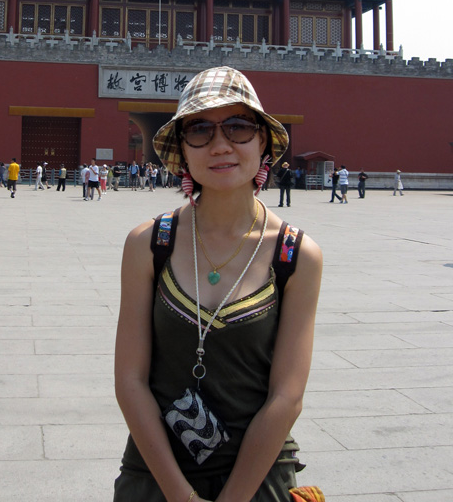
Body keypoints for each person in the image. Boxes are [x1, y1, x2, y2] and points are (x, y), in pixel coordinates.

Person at [114, 66, 322, 502]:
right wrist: (181, 496)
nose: (220, 145)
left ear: (263, 143)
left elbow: (286, 396)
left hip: (259, 479)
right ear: (182, 149)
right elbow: (130, 381)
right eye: (200, 131)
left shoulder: (295, 255)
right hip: (155, 476)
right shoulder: (149, 245)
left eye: (238, 127)